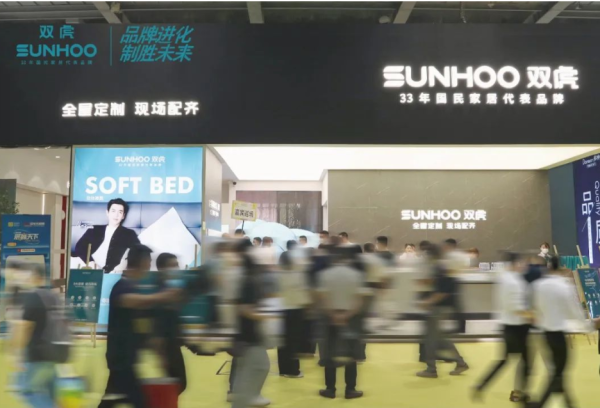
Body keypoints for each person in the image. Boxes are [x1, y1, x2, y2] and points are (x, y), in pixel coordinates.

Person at [98, 245, 182, 408]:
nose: (149, 266)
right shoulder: (122, 286)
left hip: (125, 357)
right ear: (142, 262)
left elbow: (139, 323)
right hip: (121, 358)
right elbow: (128, 300)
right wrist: (162, 297)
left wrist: (155, 348)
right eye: (148, 262)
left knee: (112, 399)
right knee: (140, 401)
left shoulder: (132, 286)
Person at [528, 256, 592, 408]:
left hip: (544, 333)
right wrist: (587, 327)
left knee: (557, 370)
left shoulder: (538, 285)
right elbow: (574, 310)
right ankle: (539, 404)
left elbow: (533, 306)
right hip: (558, 334)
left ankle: (568, 403)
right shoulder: (564, 286)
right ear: (560, 268)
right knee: (559, 371)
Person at [474, 252, 532, 403]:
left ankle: (482, 385)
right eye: (521, 263)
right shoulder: (514, 281)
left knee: (508, 360)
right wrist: (532, 316)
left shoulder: (504, 278)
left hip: (509, 325)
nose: (524, 265)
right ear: (515, 264)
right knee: (522, 361)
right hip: (518, 327)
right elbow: (516, 306)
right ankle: (519, 393)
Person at [317, 246, 366, 400]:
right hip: (351, 317)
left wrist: (334, 315)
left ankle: (330, 389)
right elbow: (359, 299)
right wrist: (346, 315)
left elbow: (322, 298)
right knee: (350, 354)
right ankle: (350, 389)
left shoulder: (324, 274)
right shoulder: (357, 275)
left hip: (329, 317)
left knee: (329, 353)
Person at [231, 244, 276, 408]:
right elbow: (244, 309)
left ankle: (248, 398)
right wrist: (265, 316)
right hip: (249, 335)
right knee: (259, 367)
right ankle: (247, 399)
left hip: (245, 335)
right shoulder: (249, 282)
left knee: (247, 370)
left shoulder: (244, 281)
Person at [417, 244, 469, 378]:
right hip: (442, 307)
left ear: (430, 256)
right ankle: (460, 363)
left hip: (439, 307)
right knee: (440, 337)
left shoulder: (440, 268)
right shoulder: (440, 268)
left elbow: (443, 291)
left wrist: (427, 302)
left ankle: (431, 369)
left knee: (430, 339)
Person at [14, 264, 59, 408]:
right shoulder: (53, 297)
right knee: (50, 393)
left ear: (35, 277)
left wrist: (18, 355)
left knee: (28, 391)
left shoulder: (33, 297)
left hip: (36, 355)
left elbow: (25, 327)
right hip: (53, 354)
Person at [73, 198, 140, 273]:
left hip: (112, 273)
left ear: (123, 216)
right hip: (90, 269)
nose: (116, 215)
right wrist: (90, 262)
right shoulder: (94, 230)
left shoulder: (129, 234)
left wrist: (121, 267)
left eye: (120, 212)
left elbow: (138, 253)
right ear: (107, 213)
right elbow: (79, 247)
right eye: (113, 211)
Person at [277, 240, 311, 378]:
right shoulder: (298, 274)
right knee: (293, 341)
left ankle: (283, 369)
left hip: (280, 310)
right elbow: (305, 294)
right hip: (295, 310)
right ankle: (293, 370)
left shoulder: (277, 275)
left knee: (282, 342)